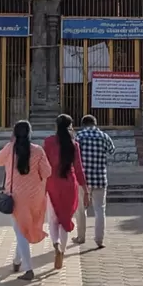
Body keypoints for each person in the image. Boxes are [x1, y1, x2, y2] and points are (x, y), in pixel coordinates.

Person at [0, 120, 51, 281]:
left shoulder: (10, 148)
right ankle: (17, 261)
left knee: (20, 232)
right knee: (23, 230)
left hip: (16, 197)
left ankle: (28, 269)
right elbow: (47, 172)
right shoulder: (38, 150)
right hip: (35, 197)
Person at [42, 114, 87, 270]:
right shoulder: (73, 144)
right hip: (69, 184)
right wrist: (85, 190)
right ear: (70, 126)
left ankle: (56, 244)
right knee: (65, 220)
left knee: (53, 219)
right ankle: (62, 250)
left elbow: (44, 165)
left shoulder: (48, 142)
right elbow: (79, 169)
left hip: (52, 183)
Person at [73, 114, 115, 248]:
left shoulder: (78, 136)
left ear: (83, 124)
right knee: (100, 210)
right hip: (100, 178)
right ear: (95, 123)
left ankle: (81, 237)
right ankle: (99, 239)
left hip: (83, 180)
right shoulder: (104, 136)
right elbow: (112, 151)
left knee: (81, 209)